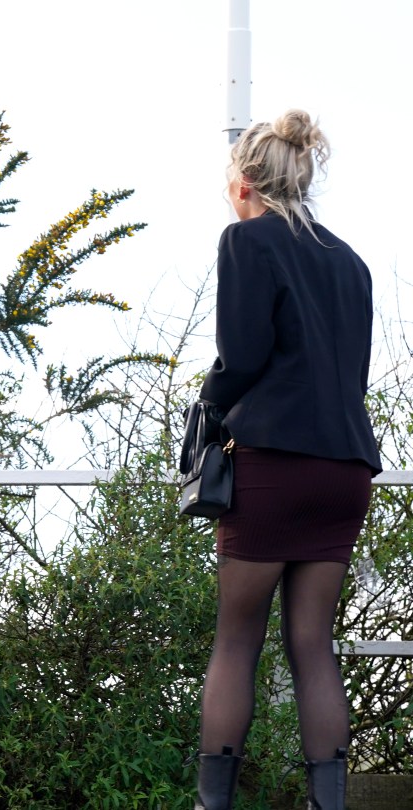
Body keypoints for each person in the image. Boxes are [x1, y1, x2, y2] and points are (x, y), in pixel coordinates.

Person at [192, 110, 380, 810]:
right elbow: (349, 376)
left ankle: (216, 805)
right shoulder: (351, 261)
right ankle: (328, 806)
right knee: (312, 643)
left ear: (244, 185)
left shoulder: (247, 241)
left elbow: (242, 358)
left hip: (273, 461)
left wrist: (208, 406)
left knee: (237, 641)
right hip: (345, 468)